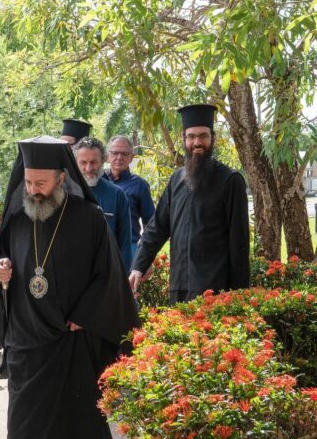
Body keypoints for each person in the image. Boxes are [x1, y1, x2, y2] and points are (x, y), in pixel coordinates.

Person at [0, 136, 139, 439]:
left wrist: (86, 313)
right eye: (28, 183)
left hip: (71, 334)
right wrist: (0, 269)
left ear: (60, 179)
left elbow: (109, 275)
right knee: (23, 418)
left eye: (41, 183)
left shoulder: (88, 218)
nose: (33, 191)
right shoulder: (18, 215)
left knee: (72, 412)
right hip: (26, 334)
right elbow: (4, 260)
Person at [129, 104, 250, 303]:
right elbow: (157, 227)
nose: (197, 142)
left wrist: (240, 296)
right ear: (184, 139)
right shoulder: (177, 179)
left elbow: (239, 244)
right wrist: (138, 266)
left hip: (215, 290)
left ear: (213, 138)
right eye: (191, 136)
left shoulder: (230, 180)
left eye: (203, 136)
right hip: (179, 286)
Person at [73, 137, 132, 270]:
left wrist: (123, 278)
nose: (88, 168)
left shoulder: (117, 195)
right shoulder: (65, 193)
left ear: (103, 161)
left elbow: (125, 243)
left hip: (106, 272)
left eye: (94, 162)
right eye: (83, 162)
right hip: (71, 271)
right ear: (75, 162)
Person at [103, 135, 155, 264]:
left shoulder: (139, 185)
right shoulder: (97, 181)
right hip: (99, 247)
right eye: (115, 153)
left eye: (124, 154)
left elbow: (150, 224)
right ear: (107, 155)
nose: (119, 157)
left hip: (128, 249)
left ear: (131, 157)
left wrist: (146, 257)